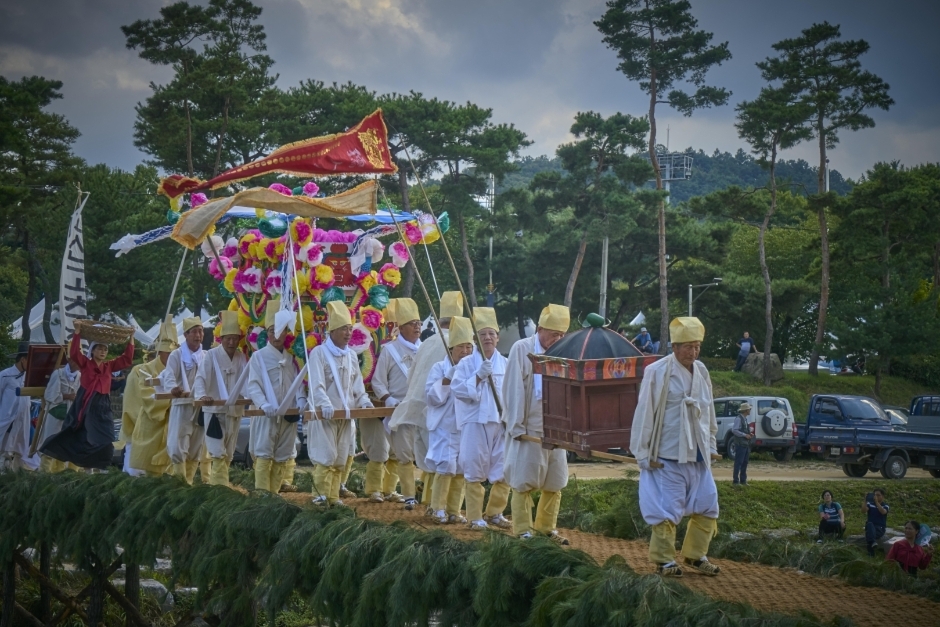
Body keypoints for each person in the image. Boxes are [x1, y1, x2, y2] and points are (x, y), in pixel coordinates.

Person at [631, 317, 721, 578]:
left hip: (698, 454)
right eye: (688, 347)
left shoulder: (702, 371)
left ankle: (695, 555)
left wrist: (712, 441)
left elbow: (708, 410)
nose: (693, 352)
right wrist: (643, 451)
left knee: (708, 504)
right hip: (667, 454)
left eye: (697, 347)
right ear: (675, 346)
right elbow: (645, 412)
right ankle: (664, 560)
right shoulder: (658, 371)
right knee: (667, 509)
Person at [390, 291, 464, 514]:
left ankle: (431, 505)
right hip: (443, 412)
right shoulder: (456, 343)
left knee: (432, 461)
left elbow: (412, 377)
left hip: (418, 408)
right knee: (446, 462)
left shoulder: (426, 342)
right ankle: (438, 507)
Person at [503, 303, 571, 544]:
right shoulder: (521, 349)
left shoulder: (564, 351)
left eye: (562, 334)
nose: (558, 338)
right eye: (554, 333)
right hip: (528, 426)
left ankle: (546, 528)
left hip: (556, 428)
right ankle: (522, 530)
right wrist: (516, 425)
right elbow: (513, 388)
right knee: (524, 480)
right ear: (540, 329)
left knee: (556, 480)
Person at [305, 301, 373, 505]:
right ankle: (320, 495)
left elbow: (357, 385)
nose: (348, 333)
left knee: (341, 457)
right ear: (332, 330)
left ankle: (333, 496)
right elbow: (316, 384)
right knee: (325, 457)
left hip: (346, 415)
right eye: (344, 328)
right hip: (325, 415)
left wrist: (364, 402)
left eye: (350, 328)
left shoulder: (352, 356)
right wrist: (324, 404)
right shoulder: (318, 353)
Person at [451, 308, 511, 530]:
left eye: (491, 334)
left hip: (499, 421)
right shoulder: (466, 364)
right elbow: (458, 390)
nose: (487, 338)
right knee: (474, 468)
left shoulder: (505, 363)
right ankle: (474, 516)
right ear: (475, 338)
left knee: (504, 467)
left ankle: (495, 512)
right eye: (482, 334)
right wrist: (478, 376)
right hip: (475, 421)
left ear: (498, 337)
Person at [41, 332, 135, 470]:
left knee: (106, 437)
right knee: (83, 436)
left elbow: (126, 359)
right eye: (99, 349)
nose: (103, 352)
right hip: (86, 404)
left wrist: (131, 338)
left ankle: (99, 467)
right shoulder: (85, 364)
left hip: (103, 407)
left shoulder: (109, 366)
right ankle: (69, 467)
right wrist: (78, 332)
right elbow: (74, 353)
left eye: (105, 349)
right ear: (93, 351)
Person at [371, 298, 423, 504]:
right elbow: (378, 382)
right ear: (401, 327)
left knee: (422, 454)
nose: (418, 327)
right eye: (413, 324)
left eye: (419, 323)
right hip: (398, 410)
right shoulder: (389, 350)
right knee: (404, 455)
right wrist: (388, 399)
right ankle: (409, 495)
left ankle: (413, 494)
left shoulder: (425, 349)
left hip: (420, 411)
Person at [247, 300, 300, 493]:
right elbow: (253, 385)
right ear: (267, 334)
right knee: (263, 453)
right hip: (266, 414)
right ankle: (262, 494)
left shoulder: (292, 358)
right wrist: (263, 404)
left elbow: (299, 383)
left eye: (279, 331)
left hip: (288, 415)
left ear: (286, 333)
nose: (275, 335)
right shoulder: (258, 357)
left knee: (282, 455)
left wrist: (300, 402)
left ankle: (274, 494)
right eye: (271, 331)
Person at [425, 316, 474, 524]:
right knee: (445, 466)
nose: (465, 352)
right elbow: (431, 397)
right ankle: (437, 508)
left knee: (462, 467)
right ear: (451, 348)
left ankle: (455, 510)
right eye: (461, 347)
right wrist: (449, 377)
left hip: (466, 425)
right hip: (445, 425)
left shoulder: (474, 368)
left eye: (469, 347)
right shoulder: (439, 367)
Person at [194, 311, 247, 487]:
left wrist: (249, 397)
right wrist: (202, 395)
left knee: (230, 451)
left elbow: (247, 381)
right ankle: (218, 487)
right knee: (217, 451)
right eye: (227, 338)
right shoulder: (211, 355)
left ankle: (222, 484)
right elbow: (201, 378)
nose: (231, 342)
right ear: (221, 338)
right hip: (214, 411)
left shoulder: (241, 357)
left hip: (234, 411)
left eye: (234, 338)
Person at [129, 318, 178, 477]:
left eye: (174, 353)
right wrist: (172, 399)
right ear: (160, 352)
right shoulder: (144, 370)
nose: (171, 356)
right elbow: (148, 397)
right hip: (152, 422)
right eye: (168, 353)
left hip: (174, 421)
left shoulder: (181, 369)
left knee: (173, 465)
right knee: (148, 469)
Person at [162, 317, 207, 484]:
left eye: (200, 331)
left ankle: (189, 482)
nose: (198, 335)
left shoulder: (206, 355)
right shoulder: (176, 355)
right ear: (186, 334)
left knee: (196, 444)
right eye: (194, 331)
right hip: (181, 404)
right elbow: (169, 375)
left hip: (200, 406)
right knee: (177, 444)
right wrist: (173, 388)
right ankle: (179, 482)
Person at [37, 359, 81, 473]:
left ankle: (63, 474)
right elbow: (50, 394)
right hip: (56, 412)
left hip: (72, 414)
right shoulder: (58, 373)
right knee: (51, 441)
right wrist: (67, 396)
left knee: (67, 444)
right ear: (71, 360)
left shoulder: (80, 375)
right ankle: (45, 474)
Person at [0, 342, 33, 471]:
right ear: (23, 359)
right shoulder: (5, 375)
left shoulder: (29, 377)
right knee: (4, 446)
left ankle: (14, 473)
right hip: (7, 418)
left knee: (18, 447)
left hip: (22, 417)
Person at [863, 488, 890, 557]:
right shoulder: (870, 504)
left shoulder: (885, 505)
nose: (876, 497)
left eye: (878, 495)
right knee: (869, 524)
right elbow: (863, 510)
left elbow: (883, 512)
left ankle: (871, 552)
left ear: (883, 496)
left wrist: (877, 503)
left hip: (880, 528)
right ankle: (873, 543)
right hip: (870, 526)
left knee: (869, 534)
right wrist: (865, 500)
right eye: (875, 495)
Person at [731, 402, 752, 486]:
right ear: (746, 410)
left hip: (745, 444)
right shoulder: (739, 419)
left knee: (745, 462)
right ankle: (735, 481)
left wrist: (749, 434)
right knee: (739, 462)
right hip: (740, 444)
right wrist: (744, 435)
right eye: (749, 409)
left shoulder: (744, 419)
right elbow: (734, 430)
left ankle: (743, 480)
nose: (750, 410)